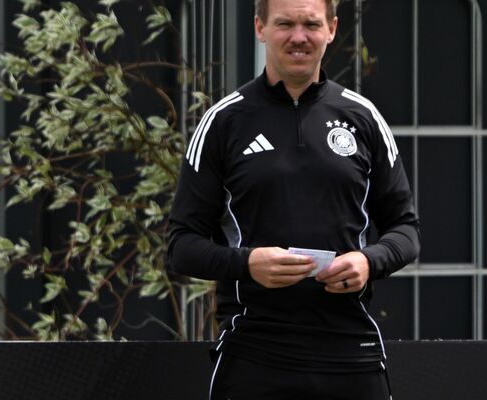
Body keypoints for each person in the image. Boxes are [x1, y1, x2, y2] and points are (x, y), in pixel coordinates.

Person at [167, 0, 420, 398]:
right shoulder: (223, 121)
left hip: (350, 352)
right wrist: (247, 264)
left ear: (332, 28)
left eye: (310, 24)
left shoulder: (365, 117)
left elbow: (406, 230)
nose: (298, 37)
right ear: (260, 28)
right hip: (254, 352)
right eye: (284, 23)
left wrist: (368, 261)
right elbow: (180, 245)